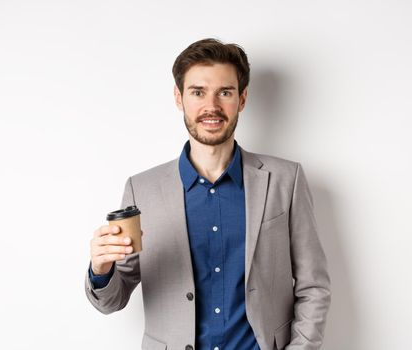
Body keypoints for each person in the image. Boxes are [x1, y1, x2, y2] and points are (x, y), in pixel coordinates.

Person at [85, 38, 331, 350]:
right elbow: (112, 300)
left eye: (224, 92)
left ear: (242, 99)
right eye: (198, 92)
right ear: (179, 97)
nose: (211, 106)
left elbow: (314, 286)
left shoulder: (286, 179)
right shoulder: (143, 189)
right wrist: (101, 269)